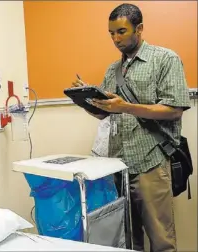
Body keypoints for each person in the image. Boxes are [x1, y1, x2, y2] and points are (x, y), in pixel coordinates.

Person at [72, 3, 191, 252]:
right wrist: (86, 101)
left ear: (140, 28)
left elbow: (174, 109)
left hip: (151, 163)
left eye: (122, 31)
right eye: (111, 33)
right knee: (126, 239)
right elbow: (106, 113)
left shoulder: (165, 59)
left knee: (161, 240)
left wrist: (124, 106)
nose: (115, 39)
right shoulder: (113, 69)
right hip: (117, 167)